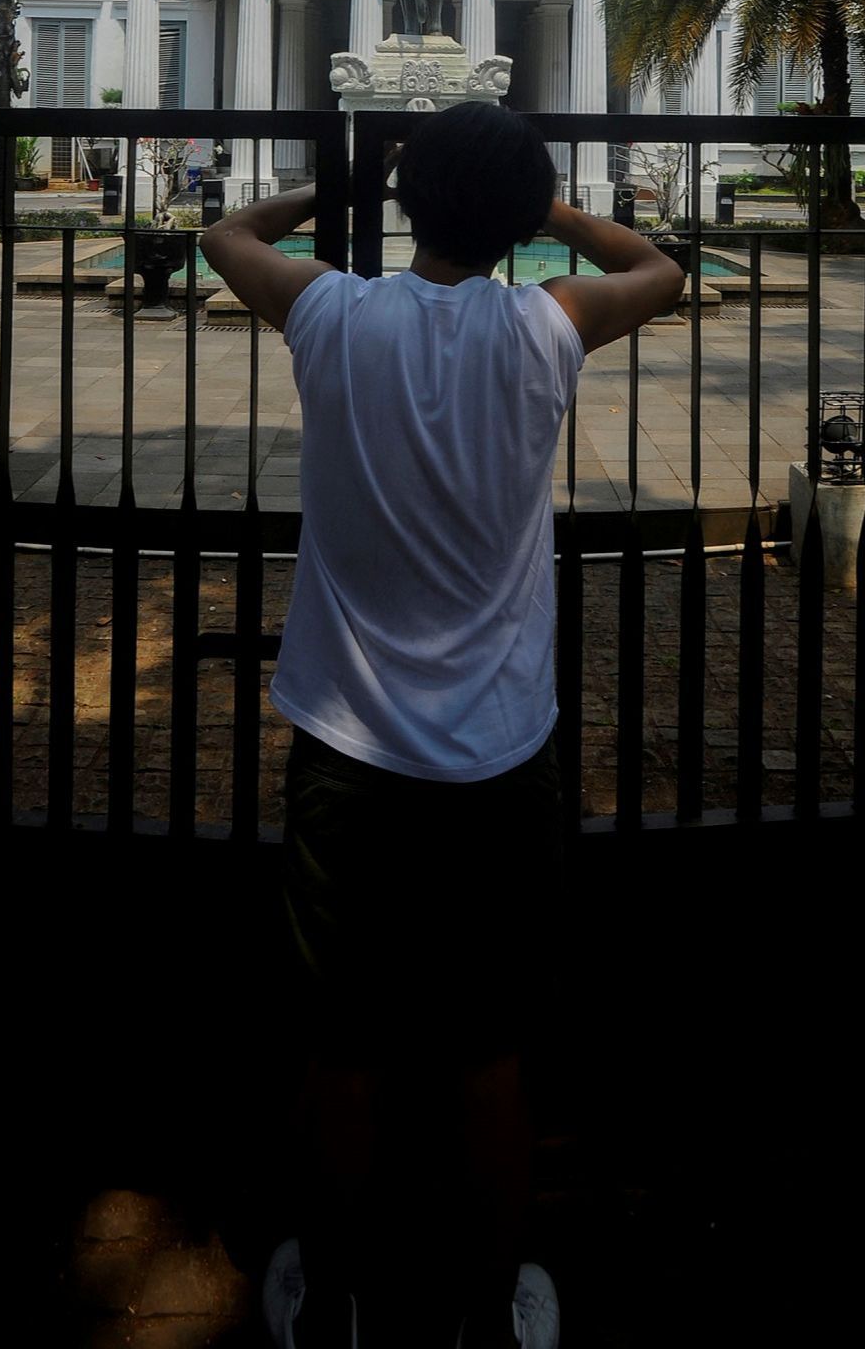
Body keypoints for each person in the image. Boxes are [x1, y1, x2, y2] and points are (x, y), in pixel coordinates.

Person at [200, 104, 685, 1349]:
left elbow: (221, 231)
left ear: (411, 204)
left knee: (345, 1044)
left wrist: (335, 183)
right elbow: (661, 269)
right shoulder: (547, 322)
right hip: (501, 751)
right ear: (521, 218)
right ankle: (486, 1298)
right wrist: (553, 214)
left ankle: (338, 1292)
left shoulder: (334, 315)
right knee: (490, 1048)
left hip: (349, 752)